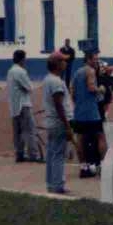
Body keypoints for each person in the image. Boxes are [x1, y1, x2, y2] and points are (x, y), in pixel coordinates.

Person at [42, 53, 76, 195]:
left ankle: (51, 184)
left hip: (52, 122)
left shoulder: (49, 79)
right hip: (58, 123)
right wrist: (67, 126)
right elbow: (59, 105)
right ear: (58, 64)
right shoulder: (56, 82)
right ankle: (57, 186)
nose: (66, 63)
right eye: (63, 61)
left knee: (52, 154)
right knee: (58, 155)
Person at [71, 48, 106, 178]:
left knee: (80, 138)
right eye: (95, 59)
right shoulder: (90, 71)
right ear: (89, 59)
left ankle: (83, 167)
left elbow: (72, 92)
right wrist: (101, 89)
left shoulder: (77, 72)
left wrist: (78, 102)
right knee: (100, 136)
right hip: (91, 112)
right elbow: (92, 88)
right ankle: (102, 166)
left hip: (79, 111)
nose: (97, 62)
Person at [6, 50, 38, 163]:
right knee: (29, 130)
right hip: (23, 104)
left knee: (17, 132)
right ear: (22, 59)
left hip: (14, 106)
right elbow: (29, 87)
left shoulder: (10, 71)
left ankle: (19, 154)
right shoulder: (21, 71)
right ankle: (33, 155)